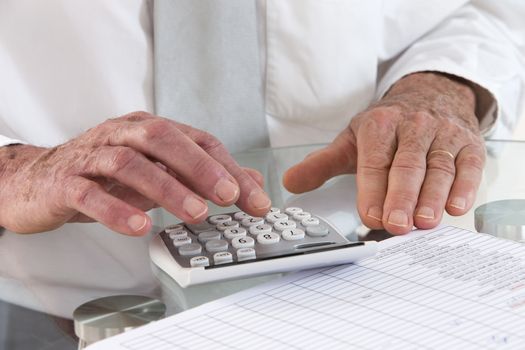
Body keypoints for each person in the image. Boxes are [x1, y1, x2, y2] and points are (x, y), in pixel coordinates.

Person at [0, 0, 523, 316]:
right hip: (53, 312)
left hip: (372, 288)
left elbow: (486, 12)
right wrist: (12, 170)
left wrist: (441, 86)